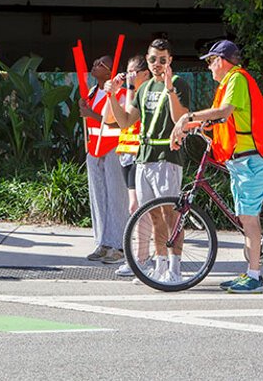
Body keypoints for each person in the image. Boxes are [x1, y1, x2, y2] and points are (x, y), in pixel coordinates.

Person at [170, 40, 263, 293]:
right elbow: (221, 120)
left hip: (252, 156)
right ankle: (249, 272)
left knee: (249, 218)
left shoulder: (237, 79)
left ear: (221, 60)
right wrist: (190, 128)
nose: (209, 67)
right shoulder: (231, 83)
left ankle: (255, 277)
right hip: (242, 158)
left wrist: (189, 117)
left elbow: (224, 111)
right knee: (244, 215)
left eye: (210, 61)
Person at [105, 38, 191, 283]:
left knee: (170, 214)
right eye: (153, 59)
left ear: (170, 60)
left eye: (162, 60)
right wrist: (112, 96)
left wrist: (170, 88)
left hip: (167, 156)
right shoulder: (144, 89)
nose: (157, 64)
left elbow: (180, 118)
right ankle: (159, 264)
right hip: (144, 158)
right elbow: (124, 121)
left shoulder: (179, 83)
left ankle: (175, 268)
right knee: (153, 215)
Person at [79, 55, 128, 265]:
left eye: (100, 63)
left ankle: (118, 245)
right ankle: (103, 242)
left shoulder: (121, 93)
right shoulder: (91, 92)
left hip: (113, 148)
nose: (94, 64)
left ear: (110, 72)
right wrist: (85, 109)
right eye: (95, 61)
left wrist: (90, 113)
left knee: (117, 197)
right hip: (94, 148)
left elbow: (120, 121)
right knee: (98, 196)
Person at [113, 54, 152, 277]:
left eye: (132, 73)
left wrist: (128, 87)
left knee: (139, 207)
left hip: (141, 152)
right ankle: (140, 257)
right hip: (126, 153)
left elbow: (130, 114)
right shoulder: (128, 92)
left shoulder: (144, 92)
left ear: (144, 74)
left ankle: (141, 258)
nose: (129, 77)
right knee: (135, 207)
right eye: (127, 72)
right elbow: (113, 118)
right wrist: (112, 91)